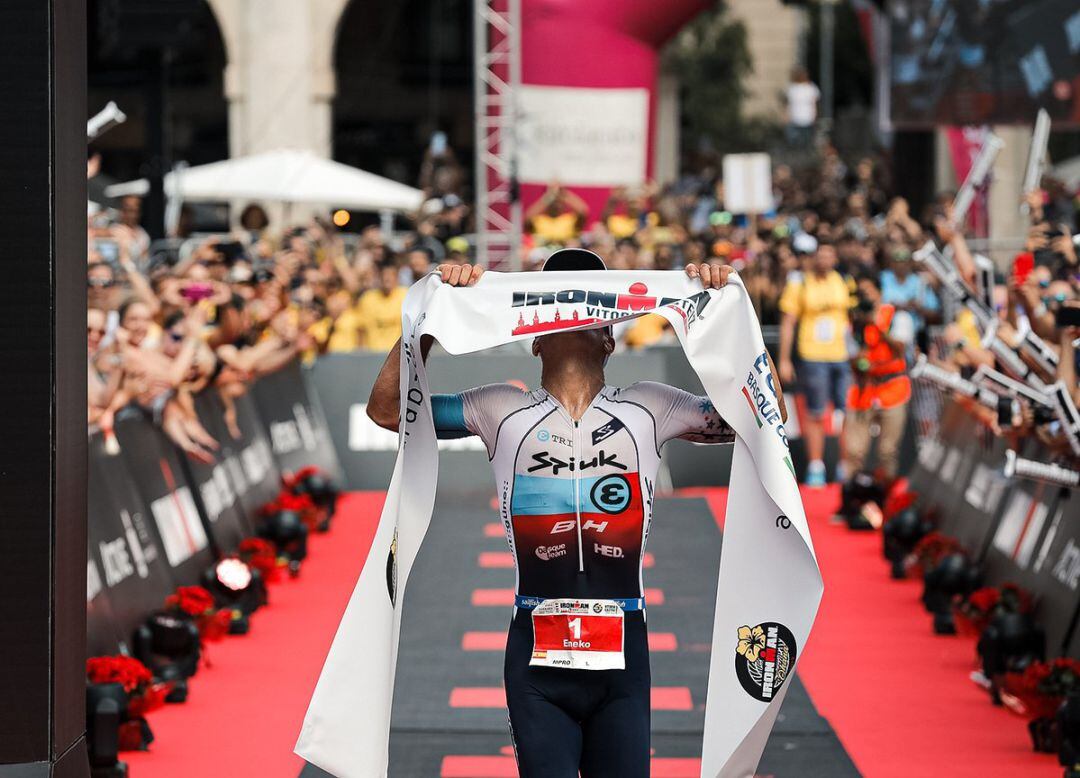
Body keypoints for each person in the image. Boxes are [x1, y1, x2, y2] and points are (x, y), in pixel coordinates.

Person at [365, 249, 786, 778]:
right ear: (536, 336)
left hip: (624, 658)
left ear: (609, 337)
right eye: (555, 301)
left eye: (587, 303)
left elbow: (767, 415)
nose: (571, 310)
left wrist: (732, 315)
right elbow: (386, 410)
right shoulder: (498, 408)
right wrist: (430, 321)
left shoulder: (651, 406)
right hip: (536, 658)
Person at [778, 235, 852, 487]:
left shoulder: (842, 281)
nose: (824, 259)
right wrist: (785, 359)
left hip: (841, 354)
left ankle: (846, 465)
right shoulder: (800, 283)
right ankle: (816, 465)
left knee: (846, 412)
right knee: (816, 412)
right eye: (820, 255)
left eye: (829, 255)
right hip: (813, 355)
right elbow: (788, 323)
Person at [843, 274, 913, 480]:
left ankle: (886, 497)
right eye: (861, 294)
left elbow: (900, 349)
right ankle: (852, 496)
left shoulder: (898, 317)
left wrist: (878, 326)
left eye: (868, 292)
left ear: (879, 292)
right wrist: (862, 328)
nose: (865, 298)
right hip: (864, 390)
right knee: (855, 451)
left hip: (893, 389)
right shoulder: (853, 324)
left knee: (887, 450)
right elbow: (853, 358)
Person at [356, 261, 408, 351]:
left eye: (390, 275)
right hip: (373, 353)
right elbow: (361, 328)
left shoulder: (405, 295)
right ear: (379, 278)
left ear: (397, 278)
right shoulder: (367, 298)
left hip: (397, 354)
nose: (387, 278)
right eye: (384, 276)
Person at [785, 67, 820, 148]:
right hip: (796, 120)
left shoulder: (810, 88)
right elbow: (789, 105)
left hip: (806, 120)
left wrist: (814, 116)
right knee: (797, 143)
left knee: (805, 143)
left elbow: (814, 104)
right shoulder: (793, 88)